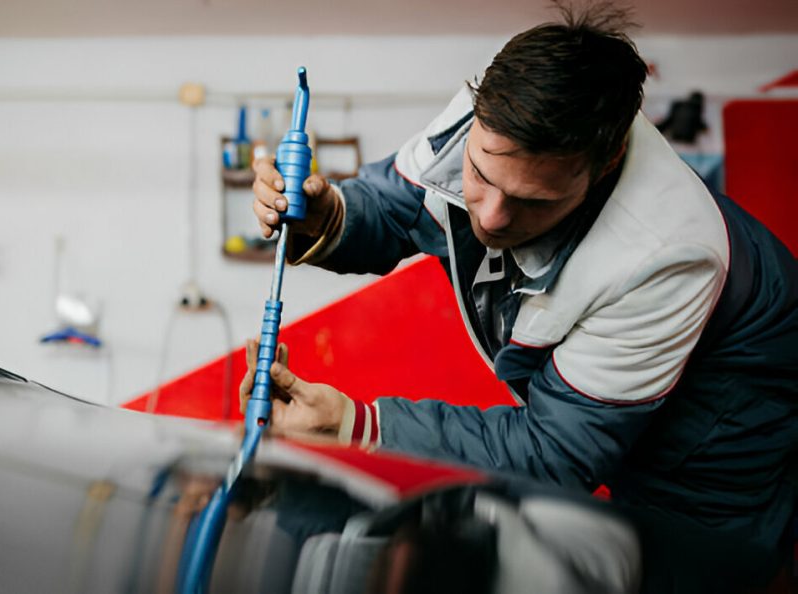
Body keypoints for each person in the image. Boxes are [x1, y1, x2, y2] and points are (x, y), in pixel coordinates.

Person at [240, 3, 798, 591]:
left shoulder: (665, 256)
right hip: (636, 402)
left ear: (603, 165)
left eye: (532, 202)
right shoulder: (487, 119)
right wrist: (330, 217)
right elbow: (399, 204)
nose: (489, 216)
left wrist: (356, 424)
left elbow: (551, 453)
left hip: (725, 435)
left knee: (698, 569)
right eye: (481, 175)